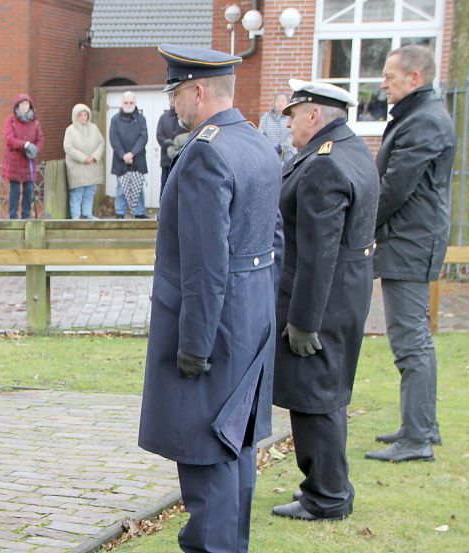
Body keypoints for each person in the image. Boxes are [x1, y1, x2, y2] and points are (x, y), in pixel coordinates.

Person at [139, 44, 281, 553]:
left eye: (177, 92)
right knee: (235, 443)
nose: (174, 104)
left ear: (199, 91)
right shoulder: (258, 144)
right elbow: (275, 240)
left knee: (207, 452)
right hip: (251, 315)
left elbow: (204, 262)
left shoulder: (207, 151)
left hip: (214, 323)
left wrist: (195, 344)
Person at [270, 80, 379, 522]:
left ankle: (327, 495)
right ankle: (326, 488)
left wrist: (303, 321)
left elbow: (318, 251)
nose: (290, 125)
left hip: (323, 300)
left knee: (316, 397)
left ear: (313, 114)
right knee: (326, 393)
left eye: (293, 115)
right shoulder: (352, 151)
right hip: (345, 293)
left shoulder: (325, 165)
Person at [366, 45, 455, 463]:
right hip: (410, 238)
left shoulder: (424, 122)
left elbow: (395, 187)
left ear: (414, 79)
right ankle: (421, 426)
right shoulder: (419, 117)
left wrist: (360, 223)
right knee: (415, 337)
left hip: (410, 242)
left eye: (390, 75)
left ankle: (417, 438)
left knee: (409, 339)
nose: (383, 82)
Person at [2, 93, 44, 219]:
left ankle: (26, 217)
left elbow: (40, 139)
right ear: (17, 106)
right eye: (22, 104)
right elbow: (9, 139)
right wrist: (25, 144)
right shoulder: (11, 121)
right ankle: (13, 217)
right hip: (14, 162)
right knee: (14, 191)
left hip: (29, 162)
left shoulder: (35, 122)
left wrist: (36, 149)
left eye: (26, 104)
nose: (24, 106)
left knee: (29, 191)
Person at [109, 91, 149, 218]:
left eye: (131, 102)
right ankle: (119, 212)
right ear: (121, 103)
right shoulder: (115, 119)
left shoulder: (141, 119)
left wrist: (132, 153)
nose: (128, 104)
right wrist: (123, 155)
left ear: (135, 103)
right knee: (121, 187)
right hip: (121, 159)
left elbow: (143, 138)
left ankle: (139, 212)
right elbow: (113, 139)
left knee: (139, 187)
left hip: (138, 158)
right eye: (126, 102)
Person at [63, 103, 104, 219]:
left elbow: (101, 143)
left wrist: (94, 156)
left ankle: (87, 214)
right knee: (77, 193)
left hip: (92, 167)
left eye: (85, 115)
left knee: (90, 192)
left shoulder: (94, 128)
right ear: (76, 116)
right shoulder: (70, 130)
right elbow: (68, 147)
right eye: (80, 115)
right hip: (77, 167)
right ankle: (75, 216)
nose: (83, 117)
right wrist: (83, 158)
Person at [155, 105, 187, 193]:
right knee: (165, 187)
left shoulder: (186, 117)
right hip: (166, 161)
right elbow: (159, 135)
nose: (172, 101)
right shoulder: (163, 118)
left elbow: (190, 135)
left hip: (181, 160)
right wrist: (168, 145)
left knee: (179, 189)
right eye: (170, 98)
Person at [259, 91, 295, 161]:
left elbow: (292, 135)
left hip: (287, 154)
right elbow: (261, 133)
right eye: (278, 100)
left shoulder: (290, 118)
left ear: (287, 103)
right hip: (269, 154)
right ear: (274, 102)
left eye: (282, 101)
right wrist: (268, 148)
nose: (280, 103)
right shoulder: (266, 117)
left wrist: (280, 147)